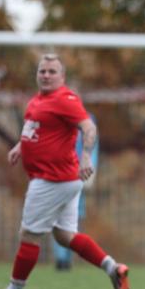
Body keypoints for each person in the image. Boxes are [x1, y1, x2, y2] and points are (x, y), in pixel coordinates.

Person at [0, 54, 129, 289]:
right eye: (42, 71)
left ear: (62, 77)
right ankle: (113, 268)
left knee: (29, 234)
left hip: (52, 179)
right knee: (65, 235)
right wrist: (20, 146)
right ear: (37, 74)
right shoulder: (36, 101)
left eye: (52, 71)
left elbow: (89, 128)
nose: (46, 75)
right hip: (62, 180)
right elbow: (37, 131)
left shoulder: (65, 99)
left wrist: (86, 157)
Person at [52, 115, 99, 271]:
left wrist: (91, 165)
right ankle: (61, 258)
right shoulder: (57, 116)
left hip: (80, 172)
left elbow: (94, 144)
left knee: (74, 215)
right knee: (59, 214)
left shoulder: (88, 118)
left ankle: (67, 256)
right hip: (61, 171)